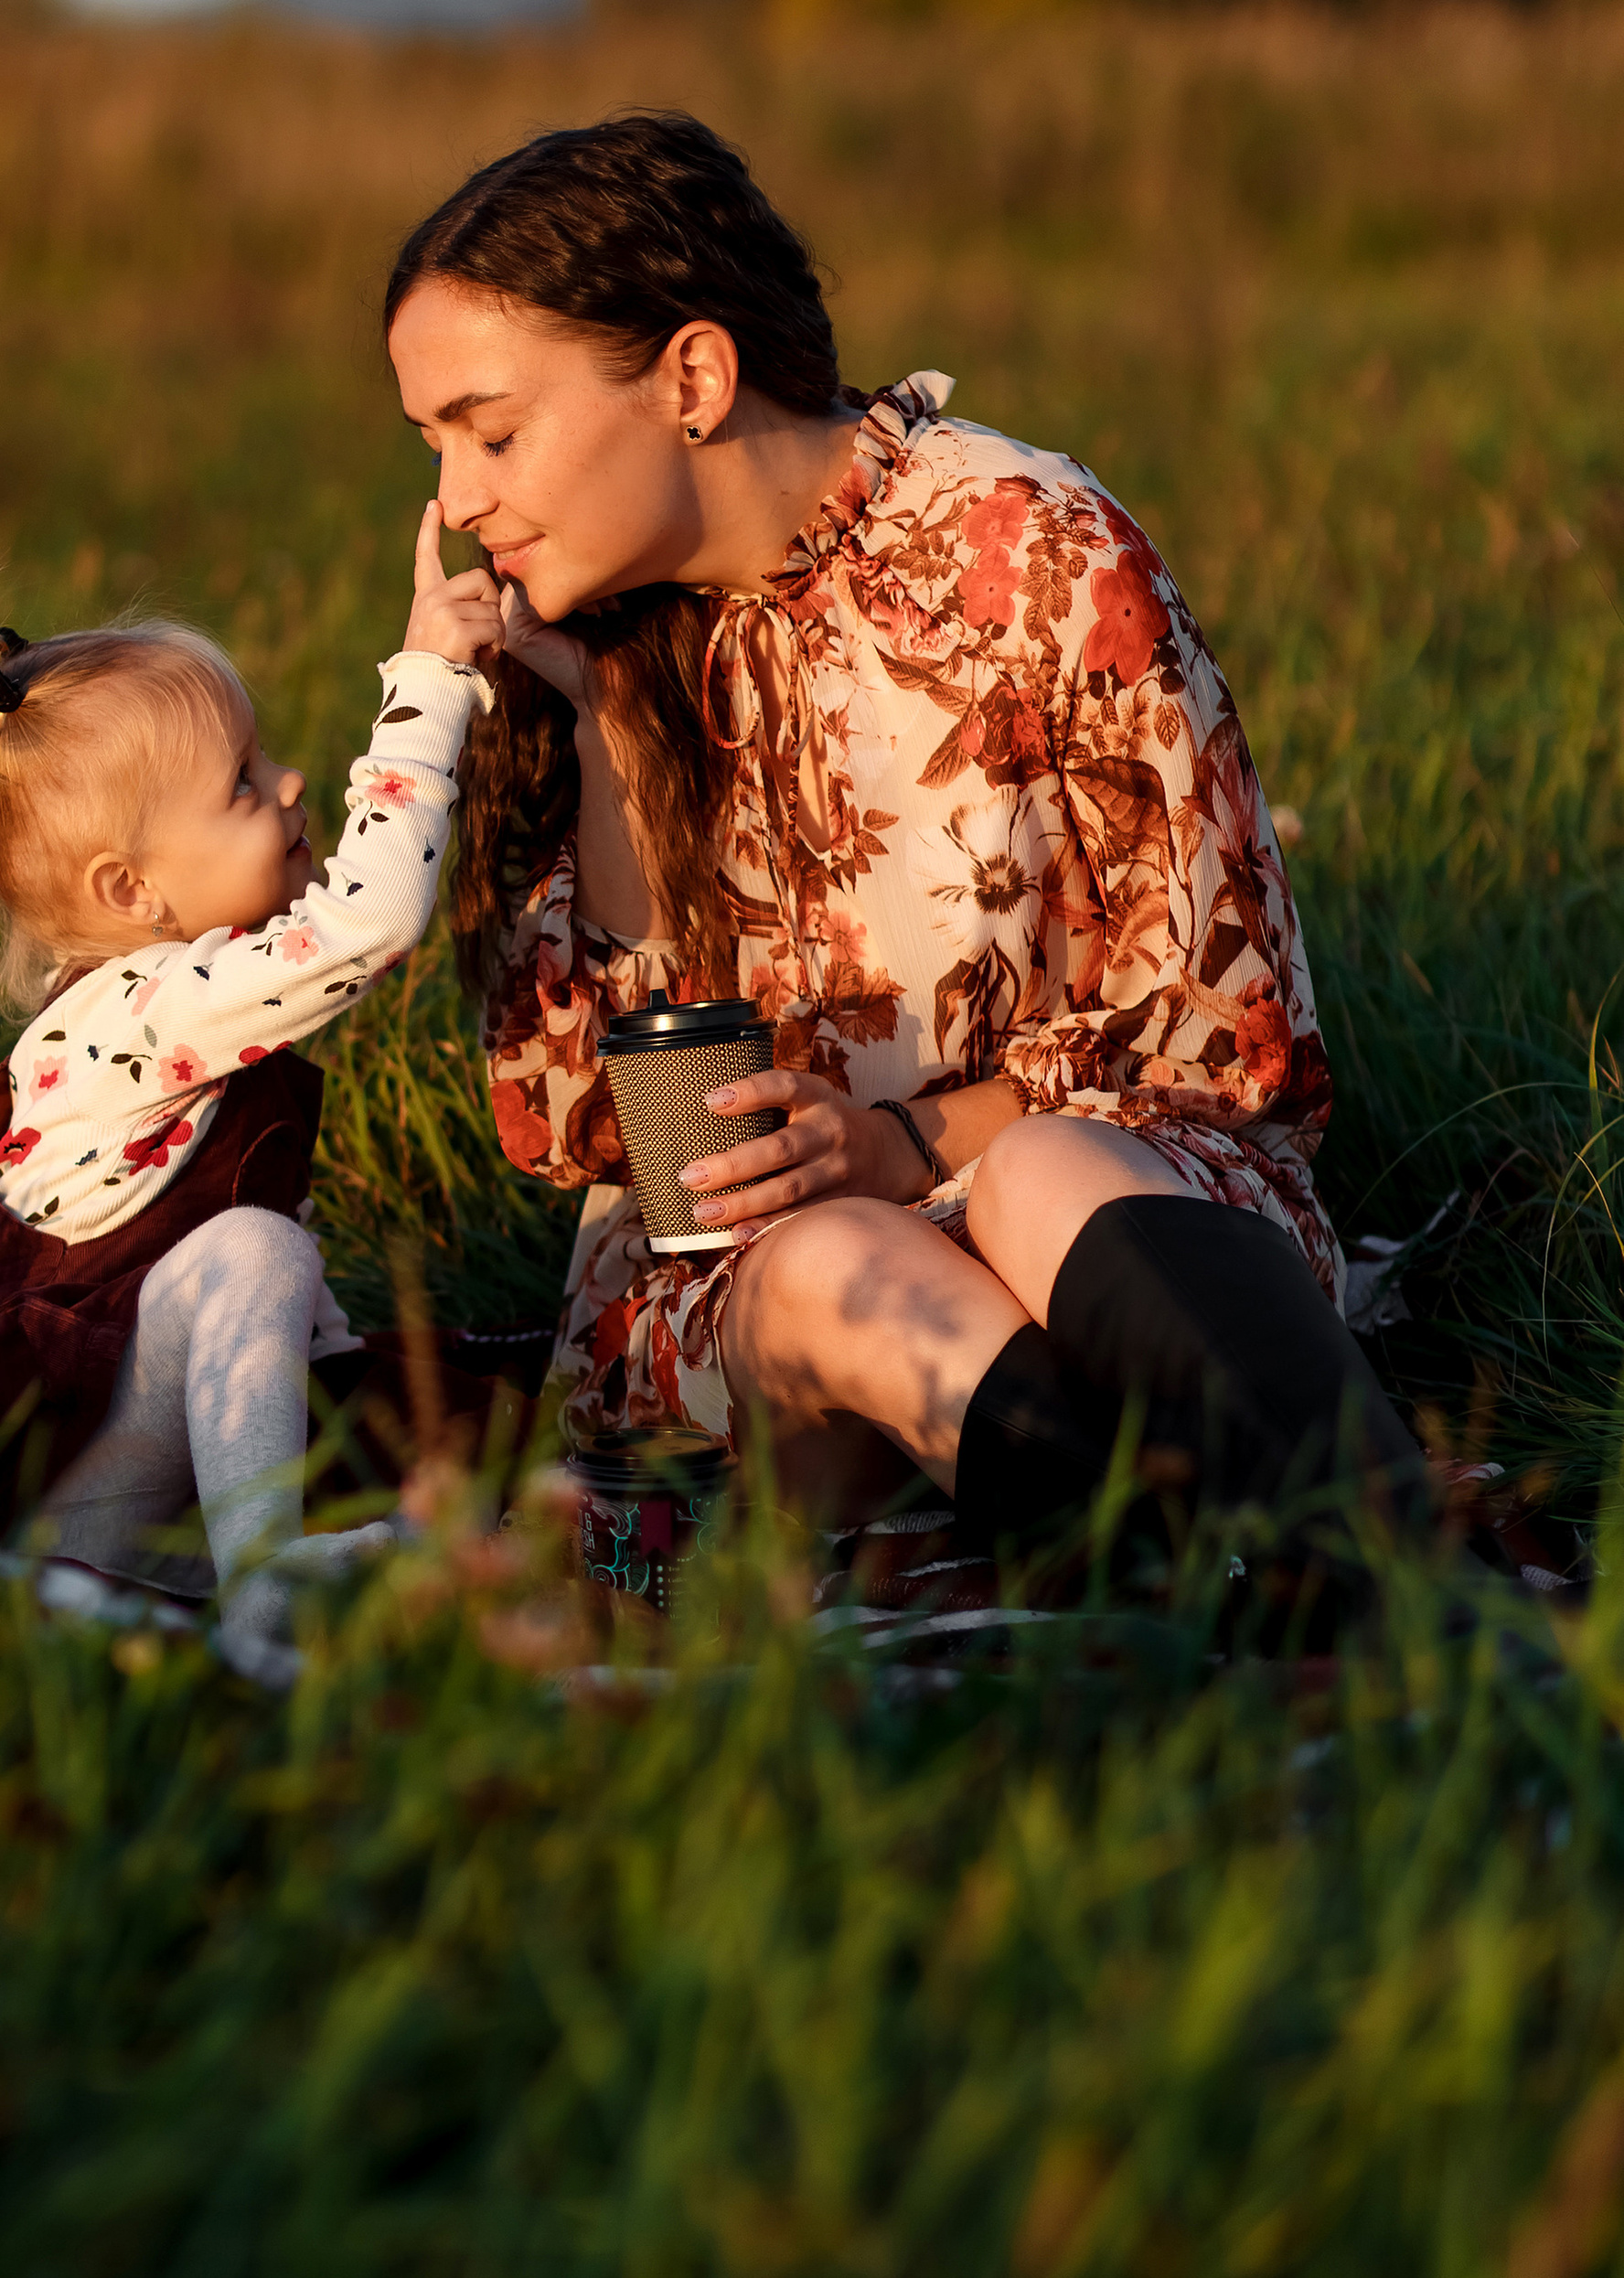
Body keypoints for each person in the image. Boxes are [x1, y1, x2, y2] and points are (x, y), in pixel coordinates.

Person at [383, 110, 1424, 1582]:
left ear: (692, 375)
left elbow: (1217, 1046)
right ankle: (1170, 1571)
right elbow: (573, 1126)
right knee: (825, 1269)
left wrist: (899, 1144)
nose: (457, 502)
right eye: (435, 446)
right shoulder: (584, 641)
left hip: (1102, 1213)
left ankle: (1380, 1576)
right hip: (783, 1328)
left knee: (1041, 1177)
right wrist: (608, 730)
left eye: (492, 433)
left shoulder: (1034, 553)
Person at [0, 506, 500, 1668]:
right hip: (69, 1476)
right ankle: (265, 1590)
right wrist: (427, 683)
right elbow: (369, 920)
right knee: (254, 1255)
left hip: (126, 1466)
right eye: (241, 786)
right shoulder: (149, 1007)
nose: (286, 785)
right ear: (132, 892)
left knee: (450, 1420)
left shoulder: (156, 996)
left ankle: (232, 1560)